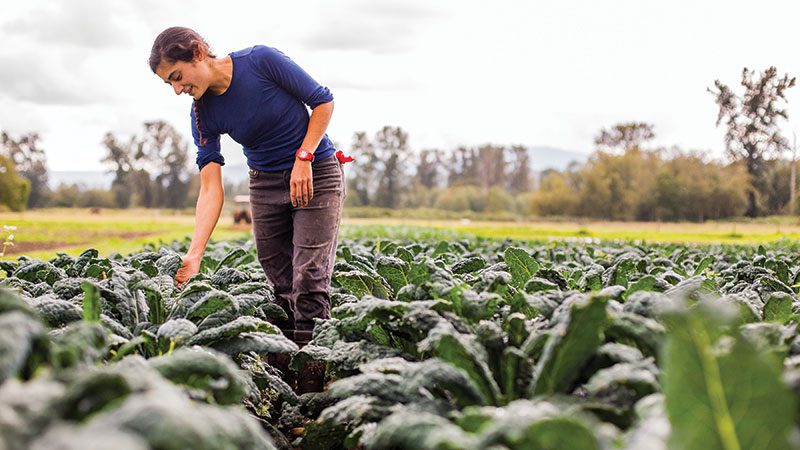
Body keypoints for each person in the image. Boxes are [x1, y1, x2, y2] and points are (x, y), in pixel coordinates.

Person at [148, 27, 346, 361]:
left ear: (197, 52)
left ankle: (314, 376)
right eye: (170, 83)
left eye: (178, 77)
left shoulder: (261, 61)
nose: (178, 89)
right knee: (281, 285)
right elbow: (210, 188)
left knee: (309, 279)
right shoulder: (201, 114)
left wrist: (304, 156)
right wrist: (195, 254)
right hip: (265, 185)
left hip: (316, 174)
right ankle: (285, 370)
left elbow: (323, 101)